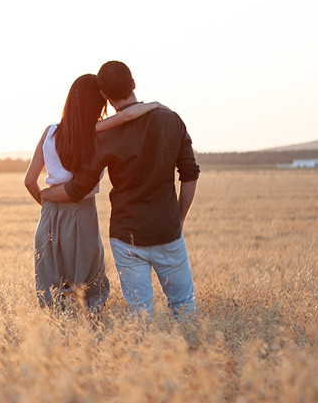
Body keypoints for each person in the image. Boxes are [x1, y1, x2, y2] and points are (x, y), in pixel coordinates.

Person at [41, 61, 200, 320]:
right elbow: (190, 174)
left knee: (140, 315)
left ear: (104, 95)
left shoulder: (105, 135)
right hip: (167, 231)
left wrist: (45, 194)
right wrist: (178, 219)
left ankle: (142, 359)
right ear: (133, 83)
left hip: (126, 237)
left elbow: (78, 188)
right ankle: (189, 356)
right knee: (183, 305)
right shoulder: (171, 119)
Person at [24, 74, 160, 313]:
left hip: (50, 215)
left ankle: (56, 341)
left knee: (52, 288)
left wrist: (47, 203)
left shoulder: (49, 132)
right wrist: (156, 105)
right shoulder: (95, 131)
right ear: (98, 103)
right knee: (90, 288)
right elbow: (127, 115)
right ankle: (90, 341)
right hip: (83, 214)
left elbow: (28, 181)